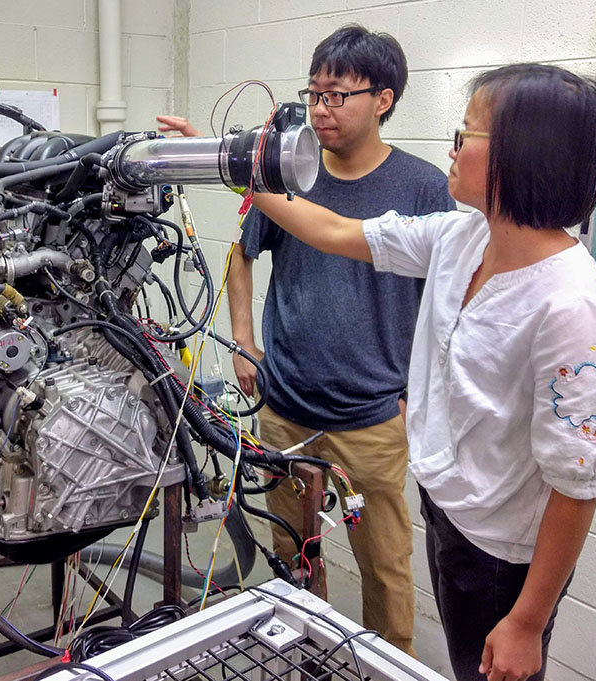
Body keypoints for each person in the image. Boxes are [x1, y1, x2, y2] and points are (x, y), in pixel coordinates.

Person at [243, 63, 596, 681]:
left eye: (464, 135)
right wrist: (241, 176)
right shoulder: (462, 237)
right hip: (450, 513)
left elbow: (578, 481)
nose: (450, 148)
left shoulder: (568, 304)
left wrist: (526, 621)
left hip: (504, 557)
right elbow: (337, 231)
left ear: (519, 157)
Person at [158, 25, 454, 655]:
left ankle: (388, 666)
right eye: (314, 93)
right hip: (286, 407)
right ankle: (309, 659)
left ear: (384, 99)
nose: (321, 109)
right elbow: (242, 254)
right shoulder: (288, 175)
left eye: (338, 95)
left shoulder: (425, 188)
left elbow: (443, 304)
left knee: (386, 567)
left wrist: (414, 396)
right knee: (294, 556)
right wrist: (244, 340)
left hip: (374, 417)